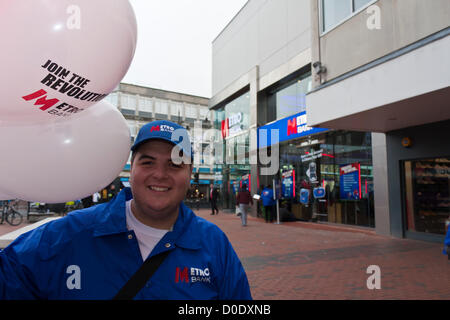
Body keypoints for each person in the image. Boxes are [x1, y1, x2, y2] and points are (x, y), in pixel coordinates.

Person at [0, 120, 252, 300]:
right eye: (148, 162)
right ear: (131, 170)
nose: (160, 174)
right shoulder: (70, 234)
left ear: (189, 175)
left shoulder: (213, 244)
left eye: (175, 164)